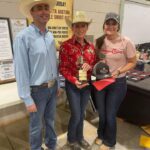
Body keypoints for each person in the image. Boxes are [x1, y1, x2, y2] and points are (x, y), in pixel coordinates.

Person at [13, 0, 60, 150]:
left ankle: (51, 146)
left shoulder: (50, 36)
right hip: (37, 91)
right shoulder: (23, 37)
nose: (44, 11)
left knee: (51, 121)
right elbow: (21, 70)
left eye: (46, 8)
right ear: (31, 12)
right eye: (39, 8)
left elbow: (53, 63)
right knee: (36, 127)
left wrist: (57, 83)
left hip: (52, 88)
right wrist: (26, 98)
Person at [92, 12, 137, 150]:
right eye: (108, 23)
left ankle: (110, 141)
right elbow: (95, 60)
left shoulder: (126, 42)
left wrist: (118, 71)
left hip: (117, 83)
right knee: (102, 112)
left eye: (113, 24)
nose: (110, 26)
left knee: (111, 114)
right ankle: (100, 135)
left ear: (118, 26)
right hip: (100, 82)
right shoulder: (99, 41)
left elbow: (132, 62)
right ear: (104, 25)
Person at [59, 11, 96, 150]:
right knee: (76, 114)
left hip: (86, 85)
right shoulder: (66, 46)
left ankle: (80, 138)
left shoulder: (91, 46)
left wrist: (90, 66)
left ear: (87, 28)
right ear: (72, 28)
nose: (80, 29)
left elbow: (94, 66)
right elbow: (62, 68)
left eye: (83, 26)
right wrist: (74, 80)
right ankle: (71, 139)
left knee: (82, 113)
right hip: (73, 85)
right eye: (77, 26)